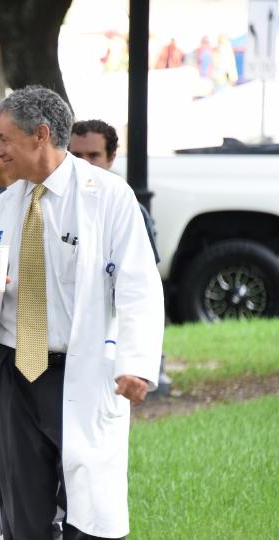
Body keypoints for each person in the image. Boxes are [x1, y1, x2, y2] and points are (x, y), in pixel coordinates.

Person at [0, 86, 164, 539]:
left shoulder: (107, 197)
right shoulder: (3, 206)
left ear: (41, 135)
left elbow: (138, 284)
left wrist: (136, 364)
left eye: (5, 138)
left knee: (87, 515)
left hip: (81, 372)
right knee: (22, 515)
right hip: (14, 377)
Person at [70, 119, 169, 393]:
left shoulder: (127, 209)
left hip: (109, 333)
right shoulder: (55, 203)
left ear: (111, 157)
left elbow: (141, 284)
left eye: (94, 155)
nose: (85, 164)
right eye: (76, 155)